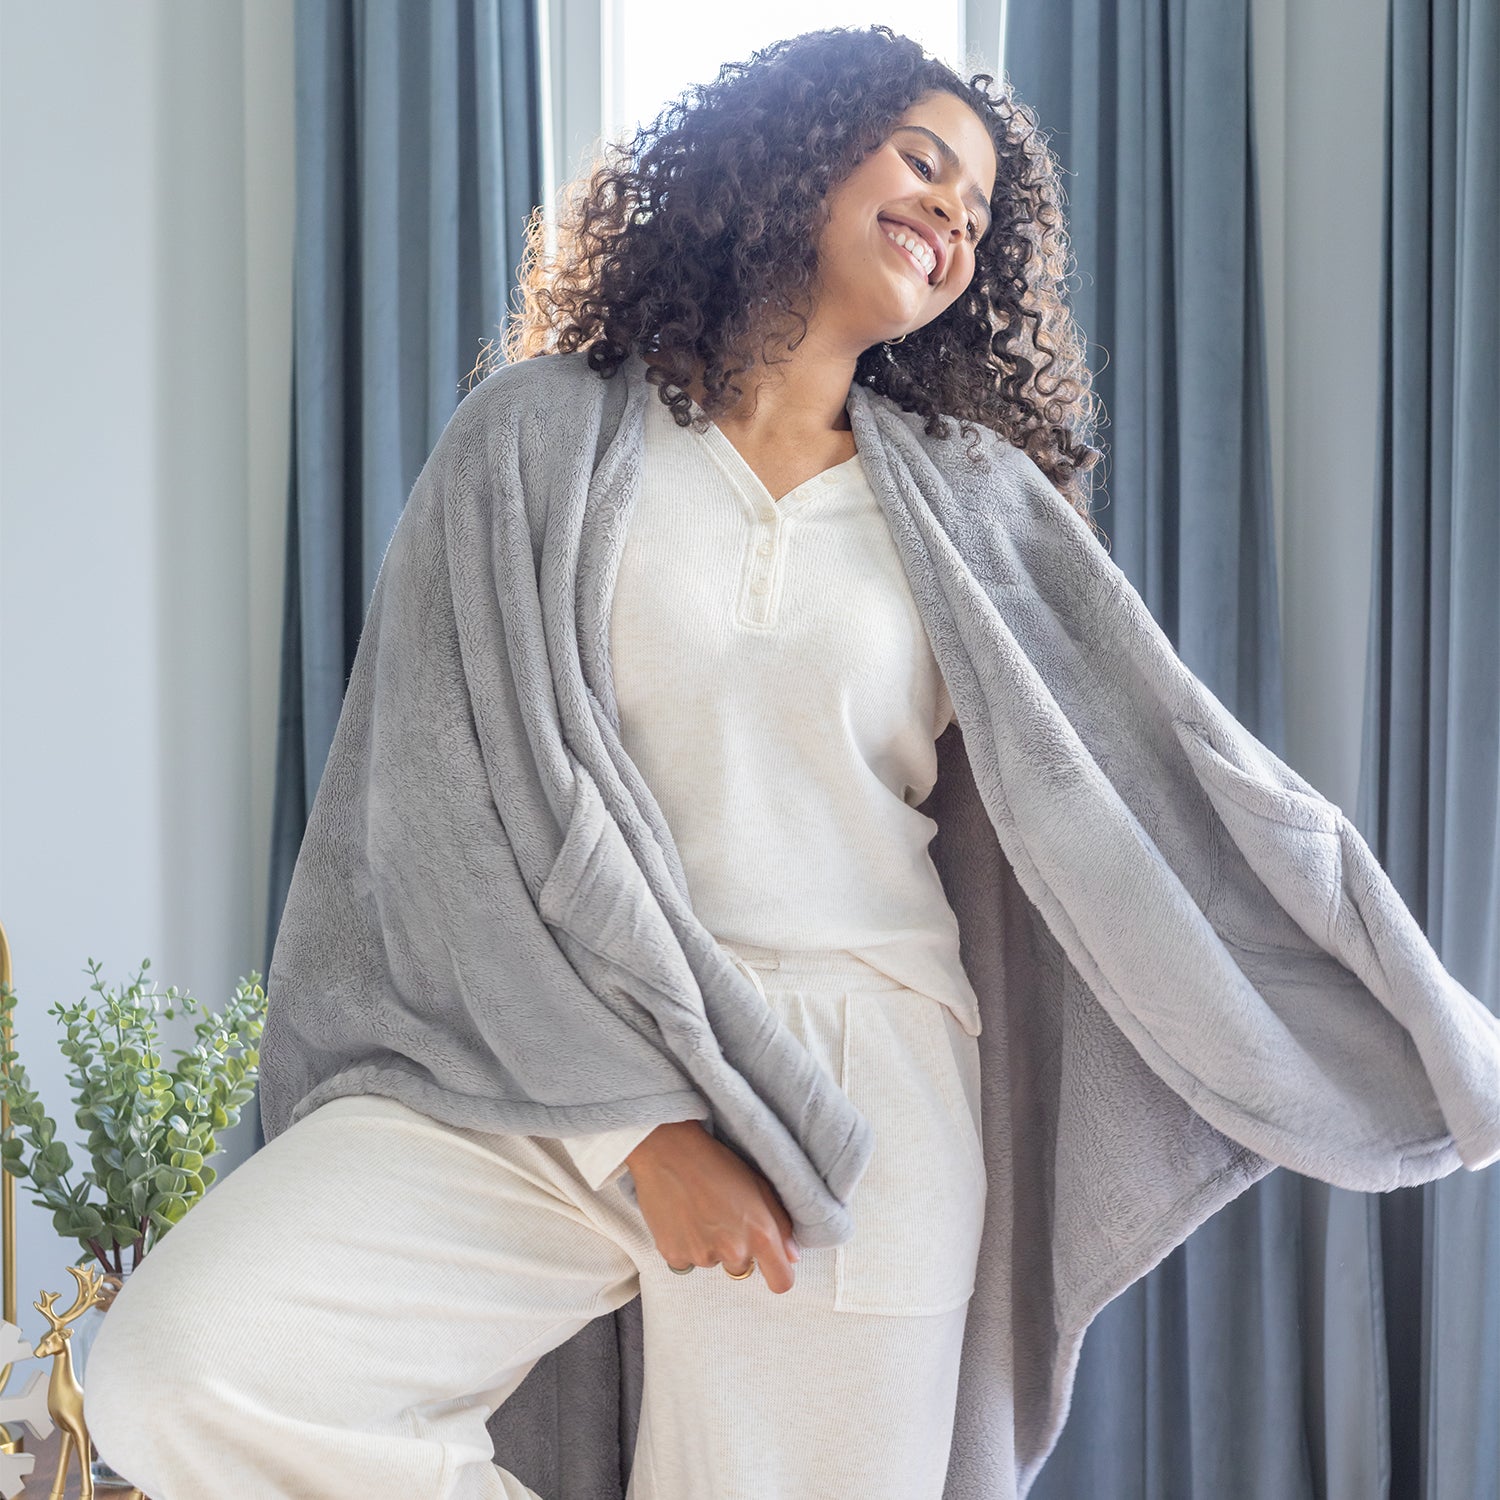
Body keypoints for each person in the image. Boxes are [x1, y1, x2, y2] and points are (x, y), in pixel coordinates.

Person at [83, 26, 1103, 1499]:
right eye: (924, 163)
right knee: (191, 1366)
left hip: (861, 1083)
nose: (952, 216)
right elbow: (443, 799)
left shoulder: (967, 503)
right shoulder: (540, 436)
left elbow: (1163, 786)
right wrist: (641, 1126)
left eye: (979, 215)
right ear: (801, 148)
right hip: (545, 1053)